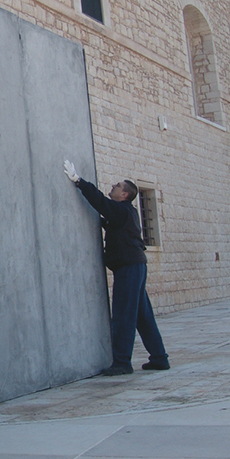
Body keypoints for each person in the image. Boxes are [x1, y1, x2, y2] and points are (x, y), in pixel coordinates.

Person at [63, 159, 169, 376]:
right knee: (142, 315)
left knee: (123, 315)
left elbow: (100, 202)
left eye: (117, 187)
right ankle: (159, 358)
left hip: (129, 268)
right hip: (136, 266)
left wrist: (78, 181)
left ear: (124, 195)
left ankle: (122, 362)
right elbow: (111, 222)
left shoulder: (120, 210)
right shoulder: (125, 213)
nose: (113, 187)